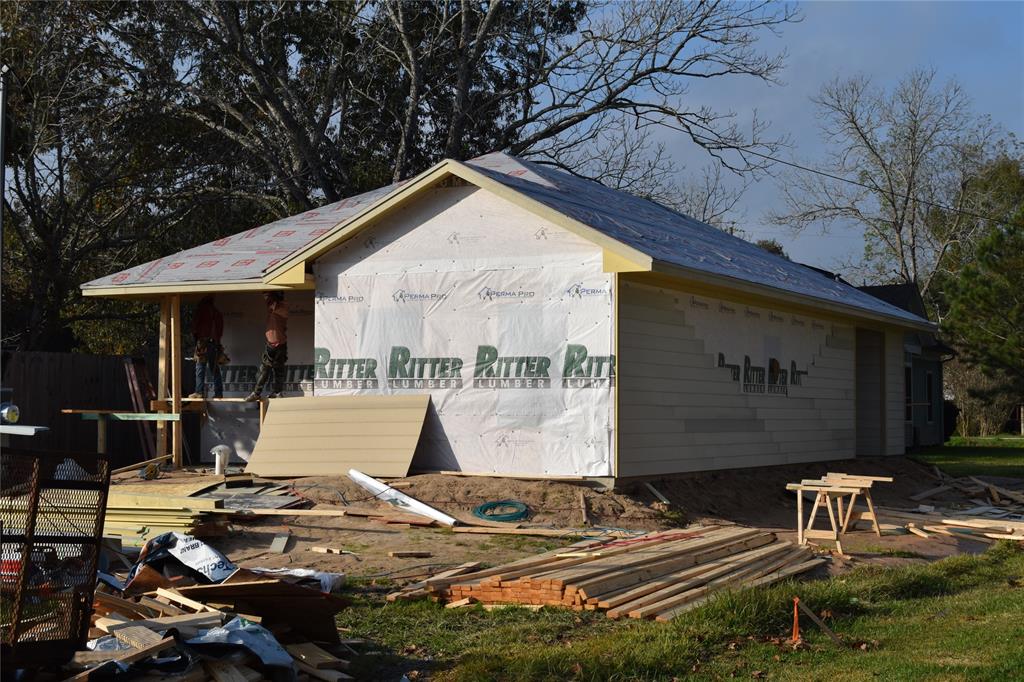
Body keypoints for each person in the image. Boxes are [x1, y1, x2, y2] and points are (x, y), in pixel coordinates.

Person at [246, 291, 289, 401]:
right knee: (276, 370)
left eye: (269, 298)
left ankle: (257, 393)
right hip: (278, 344)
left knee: (265, 370)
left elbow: (270, 301)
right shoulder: (279, 308)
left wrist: (268, 295)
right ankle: (277, 392)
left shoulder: (279, 308)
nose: (267, 301)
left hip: (275, 345)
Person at [189, 295, 224, 399]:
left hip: (203, 342)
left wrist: (196, 341)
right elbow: (220, 331)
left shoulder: (201, 310)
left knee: (200, 368)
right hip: (214, 343)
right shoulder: (217, 313)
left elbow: (194, 328)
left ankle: (199, 392)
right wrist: (217, 342)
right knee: (214, 369)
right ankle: (219, 393)